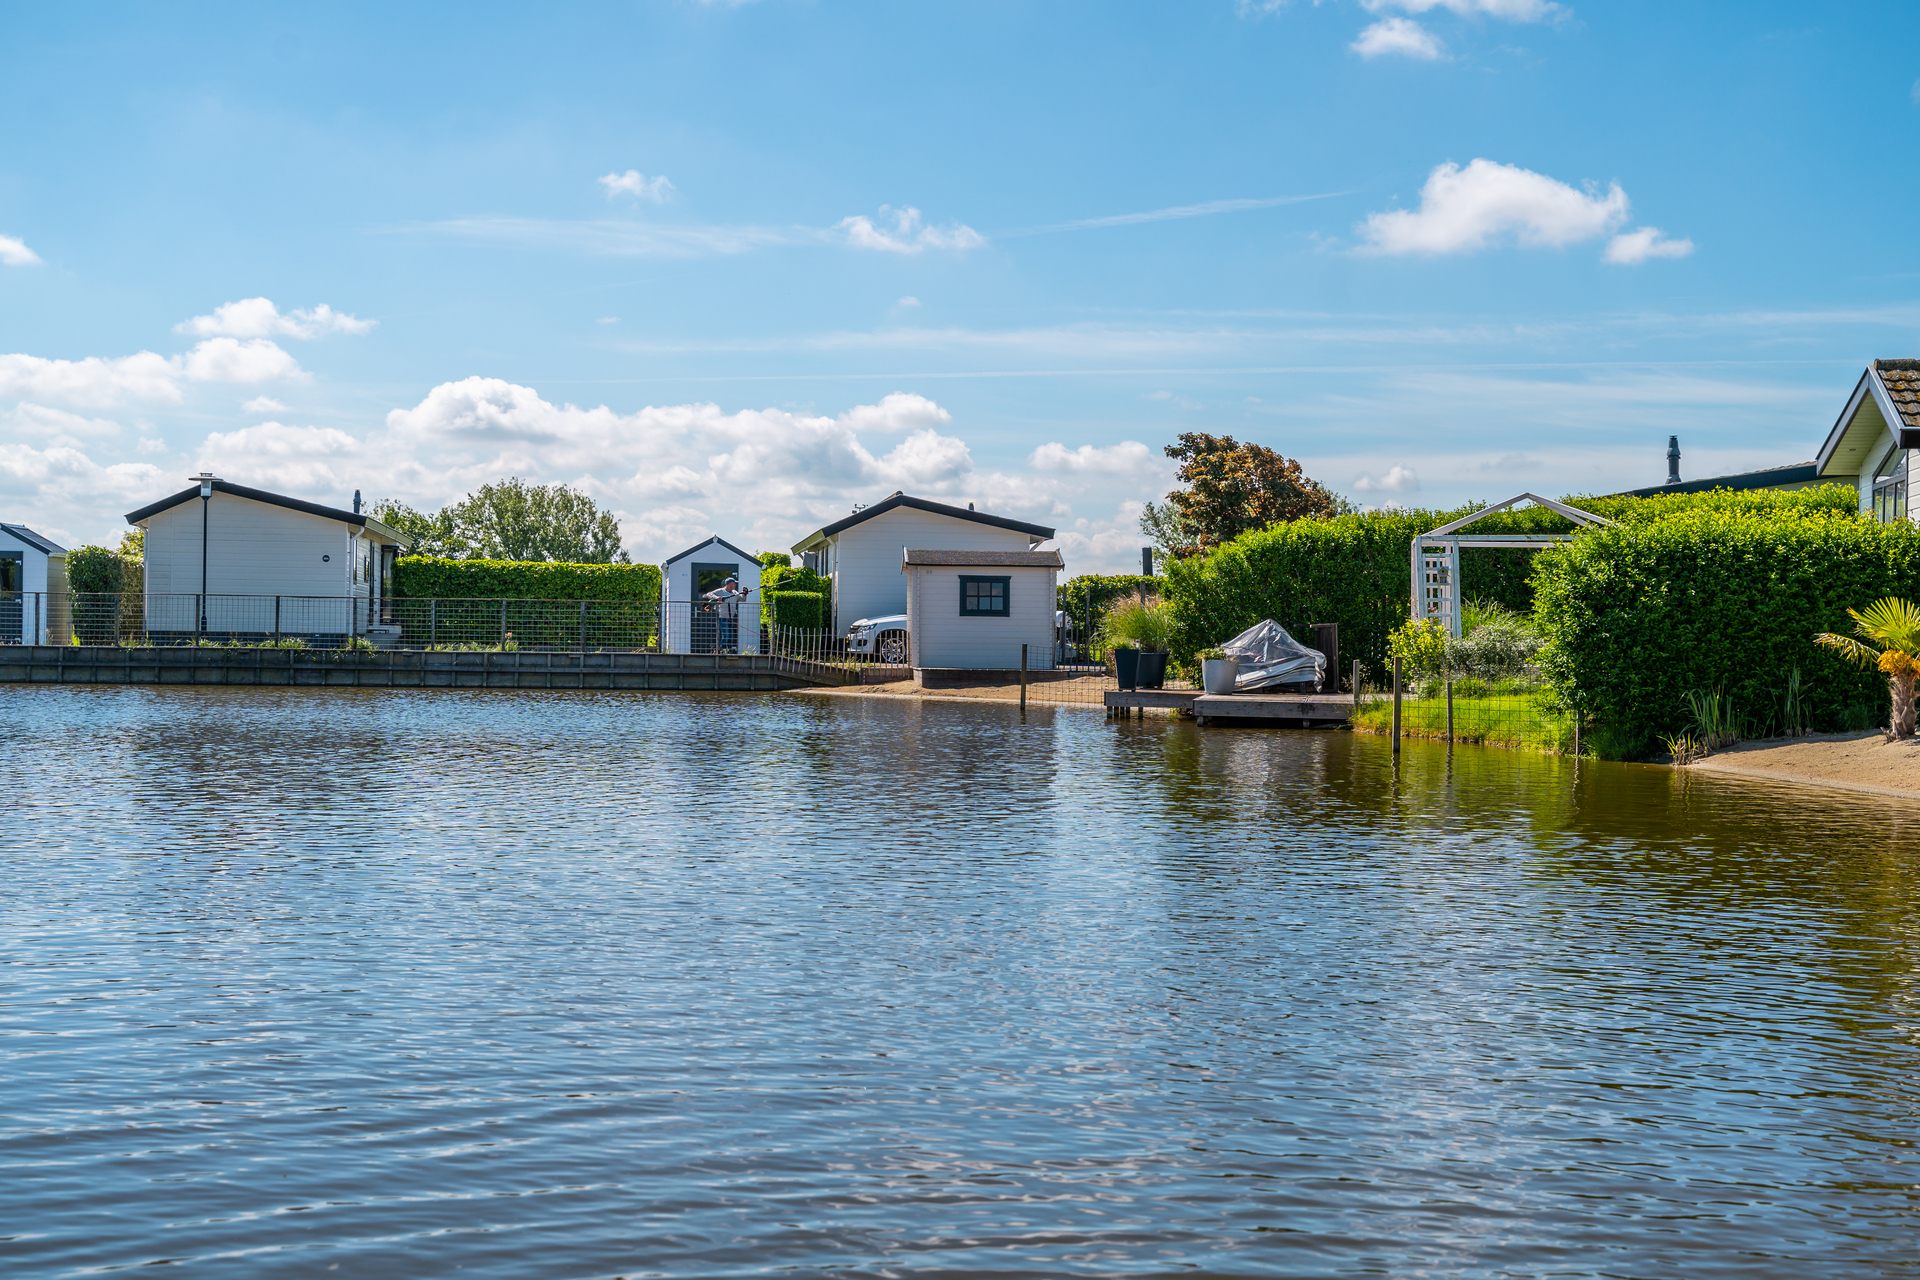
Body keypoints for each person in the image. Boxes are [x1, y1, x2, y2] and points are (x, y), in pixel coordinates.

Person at [703, 575, 745, 652]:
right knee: (726, 635)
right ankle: (721, 649)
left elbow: (742, 599)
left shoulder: (735, 592)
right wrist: (716, 598)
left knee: (731, 635)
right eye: (734, 583)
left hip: (731, 617)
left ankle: (728, 649)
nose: (735, 585)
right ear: (729, 584)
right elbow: (708, 594)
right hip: (723, 617)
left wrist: (745, 593)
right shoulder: (721, 591)